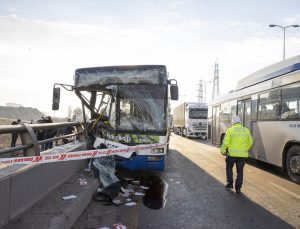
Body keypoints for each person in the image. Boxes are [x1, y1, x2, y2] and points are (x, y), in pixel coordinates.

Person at [221, 116, 253, 194]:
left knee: (229, 167)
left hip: (232, 155)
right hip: (242, 156)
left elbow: (226, 142)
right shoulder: (246, 130)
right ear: (239, 122)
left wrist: (223, 150)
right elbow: (251, 142)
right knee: (240, 171)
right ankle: (238, 188)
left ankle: (230, 184)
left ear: (233, 122)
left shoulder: (230, 130)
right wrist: (245, 149)